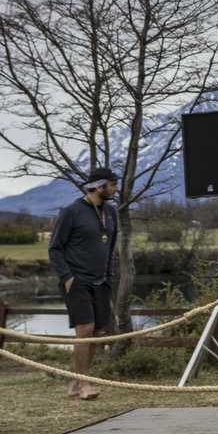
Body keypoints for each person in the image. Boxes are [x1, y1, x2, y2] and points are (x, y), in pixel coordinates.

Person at [48, 167, 119, 400]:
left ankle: (76, 383)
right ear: (99, 187)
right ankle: (85, 384)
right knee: (85, 330)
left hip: (102, 281)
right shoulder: (72, 212)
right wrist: (67, 277)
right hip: (77, 279)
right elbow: (55, 248)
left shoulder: (111, 211)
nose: (116, 189)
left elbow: (110, 248)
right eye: (113, 185)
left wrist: (109, 276)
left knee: (97, 332)